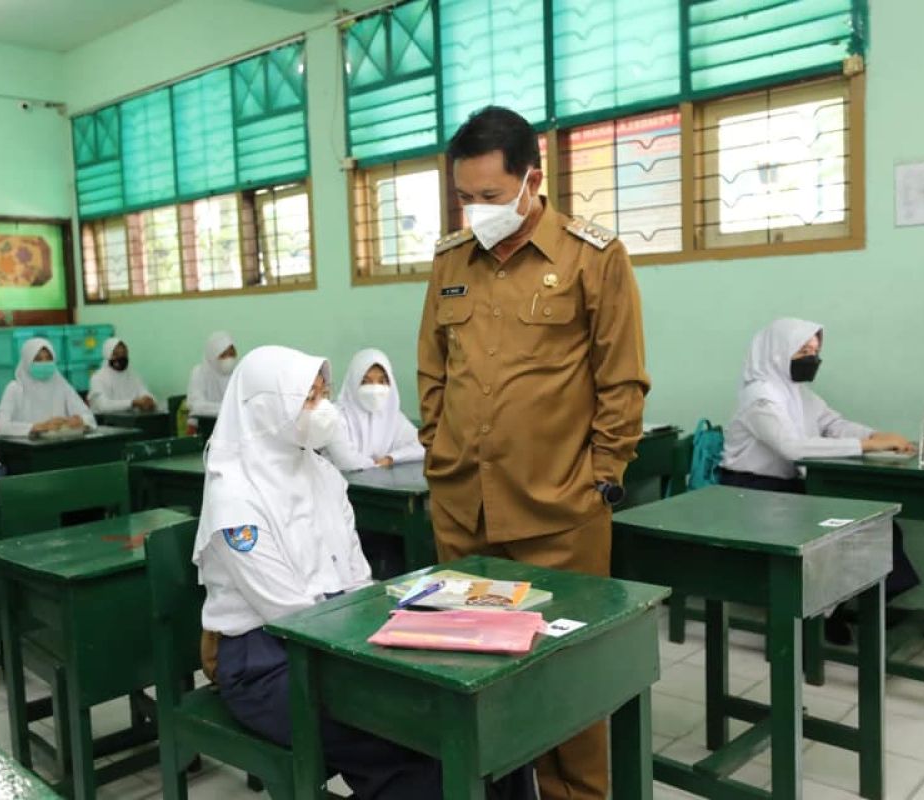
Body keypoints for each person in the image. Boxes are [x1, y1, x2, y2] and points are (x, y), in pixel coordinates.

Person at [417, 106, 649, 800]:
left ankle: (573, 791)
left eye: (490, 196)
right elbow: (434, 370)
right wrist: (439, 449)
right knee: (471, 666)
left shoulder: (593, 256)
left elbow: (623, 377)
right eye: (466, 196)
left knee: (564, 669)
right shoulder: (451, 261)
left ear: (531, 180)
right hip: (465, 508)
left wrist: (602, 479)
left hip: (560, 509)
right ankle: (490, 784)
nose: (477, 209)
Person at [194, 345, 537, 800]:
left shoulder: (322, 473)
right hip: (268, 661)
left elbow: (357, 578)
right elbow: (288, 612)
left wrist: (405, 622)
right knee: (409, 743)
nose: (323, 410)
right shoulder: (235, 497)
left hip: (338, 637)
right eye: (308, 399)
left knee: (482, 720)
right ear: (266, 409)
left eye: (323, 395)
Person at [720, 317, 920, 640]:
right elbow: (792, 448)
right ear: (778, 351)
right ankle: (811, 619)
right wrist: (868, 445)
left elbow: (834, 424)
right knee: (837, 534)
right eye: (803, 350)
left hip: (792, 490)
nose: (812, 358)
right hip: (752, 493)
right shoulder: (759, 397)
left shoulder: (800, 394)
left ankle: (828, 610)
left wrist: (877, 434)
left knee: (875, 525)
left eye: (815, 350)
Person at [324, 348, 425, 472]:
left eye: (382, 381)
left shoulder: (393, 417)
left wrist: (391, 458)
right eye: (366, 381)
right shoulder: (334, 416)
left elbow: (422, 445)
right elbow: (347, 462)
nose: (375, 388)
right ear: (353, 383)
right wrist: (376, 464)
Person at [0, 338, 96, 437]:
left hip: (58, 445)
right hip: (26, 449)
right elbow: (0, 426)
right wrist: (38, 427)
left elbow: (89, 418)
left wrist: (79, 420)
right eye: (38, 359)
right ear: (27, 361)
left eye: (49, 358)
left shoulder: (61, 385)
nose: (44, 363)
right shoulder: (15, 388)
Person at [88, 337, 158, 413]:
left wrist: (149, 400)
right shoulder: (98, 378)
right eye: (116, 354)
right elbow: (103, 405)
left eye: (124, 353)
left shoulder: (133, 376)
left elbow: (144, 393)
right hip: (106, 421)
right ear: (107, 356)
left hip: (130, 420)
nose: (121, 357)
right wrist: (132, 403)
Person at [186, 331, 237, 418]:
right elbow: (196, 406)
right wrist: (228, 409)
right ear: (212, 355)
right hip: (207, 424)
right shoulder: (199, 373)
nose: (229, 358)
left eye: (231, 354)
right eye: (223, 355)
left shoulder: (238, 372)